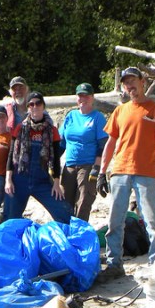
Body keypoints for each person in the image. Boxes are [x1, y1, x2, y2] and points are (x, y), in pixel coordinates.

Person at [97, 66, 155, 278]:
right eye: (126, 83)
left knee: (154, 223)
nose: (130, 86)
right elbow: (110, 143)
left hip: (146, 173)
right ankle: (114, 265)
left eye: (133, 81)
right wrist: (101, 172)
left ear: (143, 81)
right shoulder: (120, 111)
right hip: (120, 172)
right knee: (115, 222)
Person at [4, 91, 73, 224]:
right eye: (31, 104)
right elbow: (11, 154)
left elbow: (55, 160)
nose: (35, 107)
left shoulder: (52, 130)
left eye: (38, 103)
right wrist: (8, 180)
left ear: (43, 106)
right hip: (19, 179)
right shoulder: (19, 128)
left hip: (41, 180)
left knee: (64, 213)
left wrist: (57, 184)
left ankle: (68, 240)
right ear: (28, 107)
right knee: (10, 219)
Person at [60, 82, 108, 222]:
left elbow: (102, 145)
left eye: (86, 96)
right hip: (69, 165)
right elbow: (62, 142)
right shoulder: (71, 116)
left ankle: (79, 233)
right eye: (80, 96)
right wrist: (53, 162)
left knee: (83, 200)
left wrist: (97, 168)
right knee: (65, 202)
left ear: (92, 98)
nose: (83, 99)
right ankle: (66, 233)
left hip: (87, 165)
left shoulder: (97, 118)